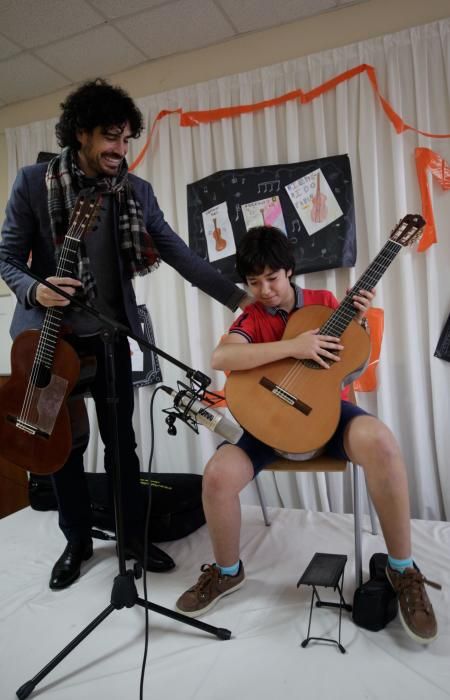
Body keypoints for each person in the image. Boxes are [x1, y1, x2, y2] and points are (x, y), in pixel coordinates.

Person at [0, 78, 252, 591]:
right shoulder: (32, 183)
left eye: (126, 139)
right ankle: (76, 541)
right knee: (62, 448)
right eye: (110, 138)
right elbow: (6, 257)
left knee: (123, 444)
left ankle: (132, 539)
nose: (120, 149)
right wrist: (35, 289)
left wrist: (241, 300)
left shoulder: (134, 193)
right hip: (50, 342)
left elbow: (179, 253)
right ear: (82, 135)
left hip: (111, 337)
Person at [175, 225, 441, 645]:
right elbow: (222, 355)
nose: (264, 290)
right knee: (216, 476)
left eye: (272, 278)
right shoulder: (252, 317)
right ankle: (227, 572)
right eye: (254, 281)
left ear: (290, 271)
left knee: (383, 443)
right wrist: (292, 347)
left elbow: (352, 362)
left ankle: (402, 567)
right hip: (268, 425)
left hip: (327, 417)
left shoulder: (325, 304)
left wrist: (360, 326)